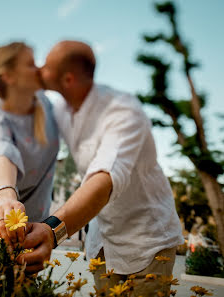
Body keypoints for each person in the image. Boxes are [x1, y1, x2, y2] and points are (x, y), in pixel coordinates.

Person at [19, 40, 184, 296]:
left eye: (46, 67)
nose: (40, 70)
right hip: (104, 243)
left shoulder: (123, 111)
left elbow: (104, 179)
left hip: (148, 242)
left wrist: (52, 230)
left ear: (68, 79)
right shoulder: (61, 109)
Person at [0, 41, 59, 246]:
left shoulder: (46, 103)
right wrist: (4, 196)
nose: (39, 69)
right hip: (0, 225)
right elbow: (3, 154)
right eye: (31, 64)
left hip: (37, 228)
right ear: (8, 76)